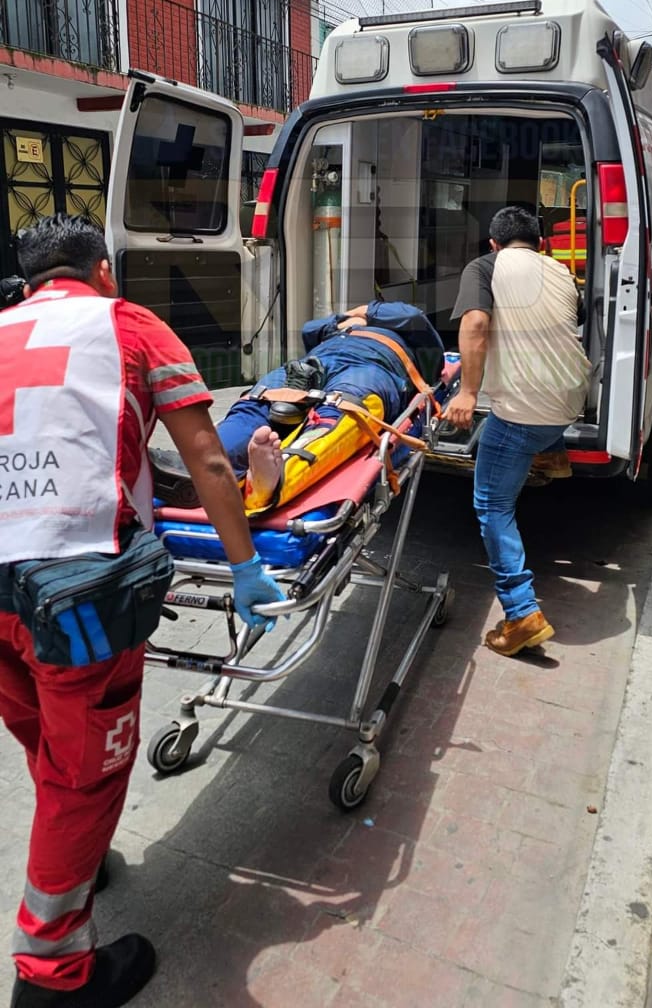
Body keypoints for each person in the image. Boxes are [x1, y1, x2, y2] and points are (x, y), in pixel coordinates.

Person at [0, 214, 284, 1008]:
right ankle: (52, 975)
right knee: (85, 776)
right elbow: (205, 455)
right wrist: (246, 566)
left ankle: (79, 859)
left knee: (43, 737)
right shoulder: (127, 324)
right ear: (101, 274)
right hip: (76, 600)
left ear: (28, 282)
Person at [447, 206, 591, 657]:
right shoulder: (561, 270)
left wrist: (468, 392)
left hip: (526, 413)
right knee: (537, 415)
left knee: (491, 504)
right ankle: (553, 453)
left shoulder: (486, 266)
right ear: (541, 243)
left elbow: (474, 324)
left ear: (494, 244)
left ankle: (521, 612)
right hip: (571, 399)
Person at [154, 300, 446, 512]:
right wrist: (344, 321)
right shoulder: (337, 330)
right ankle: (200, 464)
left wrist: (363, 312)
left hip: (373, 365)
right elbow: (310, 329)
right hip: (313, 365)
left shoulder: (410, 335)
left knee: (342, 410)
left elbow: (413, 317)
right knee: (258, 401)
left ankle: (273, 480)